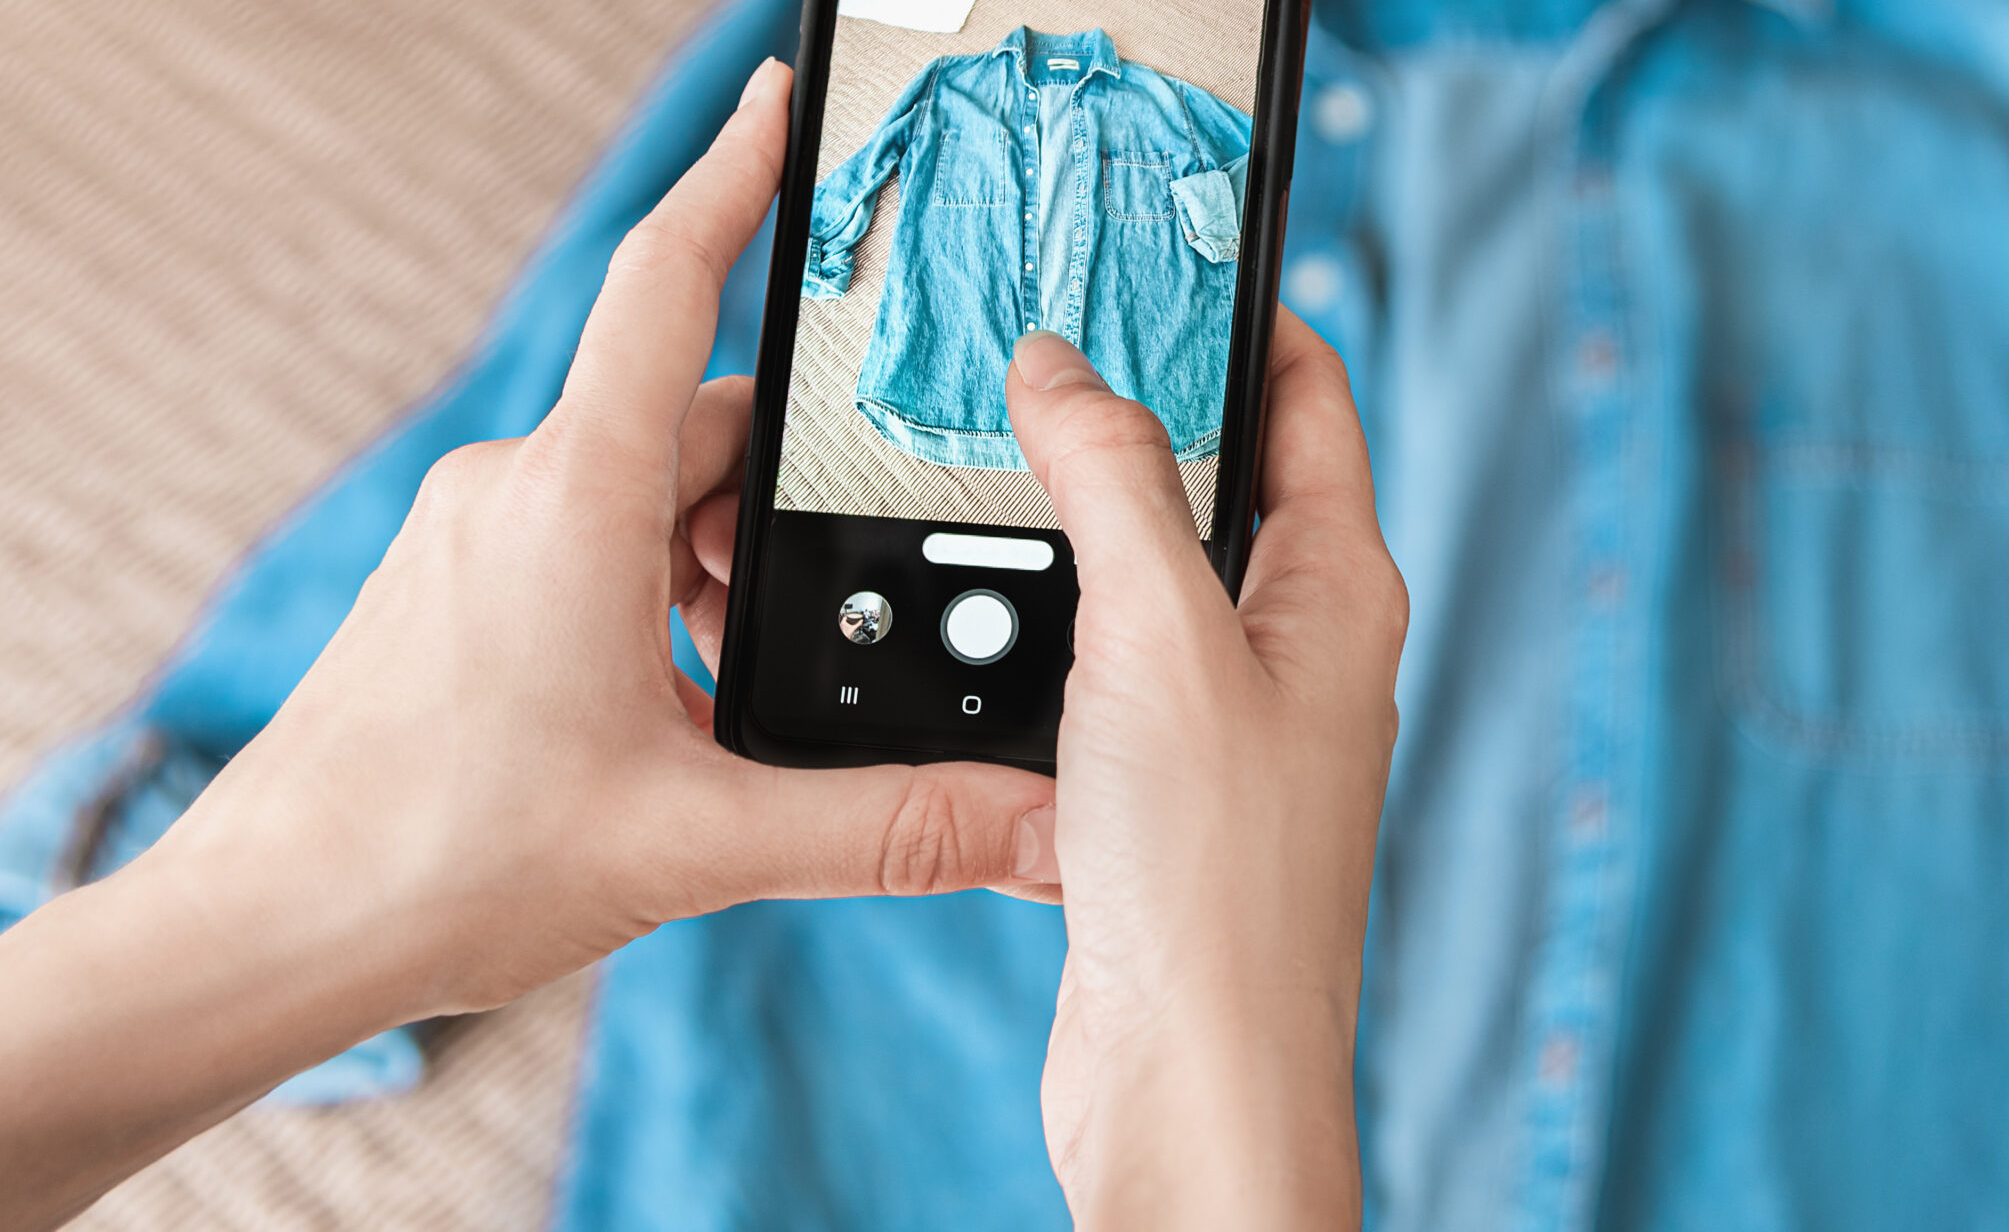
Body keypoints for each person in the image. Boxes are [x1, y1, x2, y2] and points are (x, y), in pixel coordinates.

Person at [0, 60, 1408, 1232]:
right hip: (921, 417)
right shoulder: (953, 67)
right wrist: (1226, 1071)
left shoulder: (1170, 92)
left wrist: (232, 921)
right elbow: (591, 377)